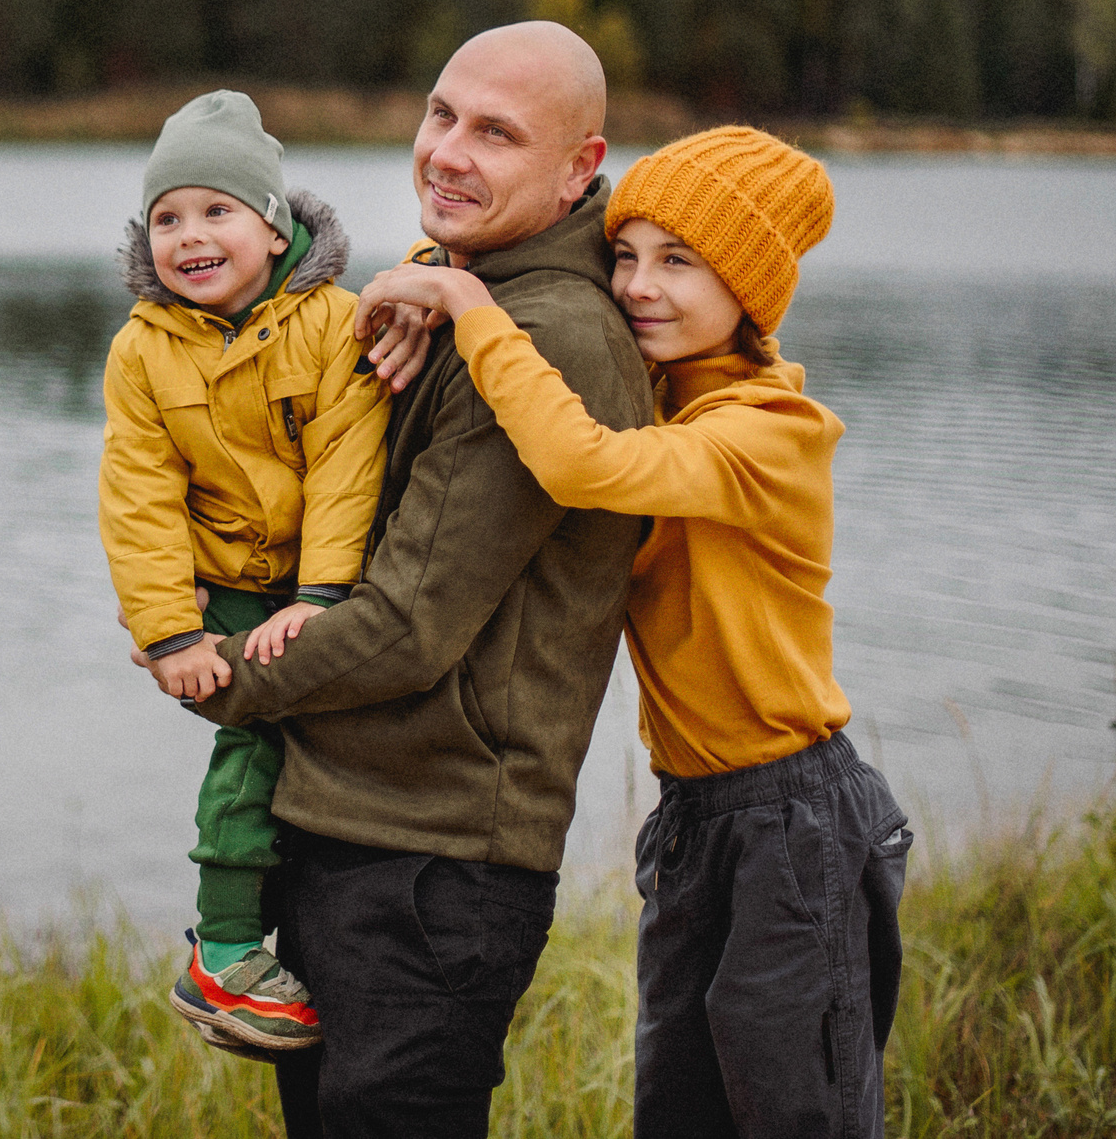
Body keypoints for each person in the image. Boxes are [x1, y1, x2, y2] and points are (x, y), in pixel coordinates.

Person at [355, 124, 912, 1139]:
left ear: (750, 287)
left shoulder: (767, 434)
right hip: (696, 819)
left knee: (798, 1118)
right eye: (624, 254)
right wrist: (430, 266)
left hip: (792, 817)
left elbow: (584, 468)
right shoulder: (662, 393)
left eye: (678, 261)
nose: (639, 285)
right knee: (681, 1111)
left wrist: (471, 306)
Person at [152, 22, 654, 1139]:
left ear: (580, 166)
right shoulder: (459, 293)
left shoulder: (547, 337)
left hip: (434, 866)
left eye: (497, 132)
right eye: (440, 113)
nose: (448, 152)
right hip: (351, 831)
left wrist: (211, 676)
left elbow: (406, 626)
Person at [100, 89, 394, 1054]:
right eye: (168, 217)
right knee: (257, 731)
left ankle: (250, 940)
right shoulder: (143, 349)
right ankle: (223, 947)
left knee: (305, 729)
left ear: (274, 227)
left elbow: (351, 464)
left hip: (311, 577)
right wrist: (169, 631)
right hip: (219, 585)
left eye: (217, 210)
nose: (190, 236)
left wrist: (318, 598)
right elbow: (137, 493)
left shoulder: (333, 324)